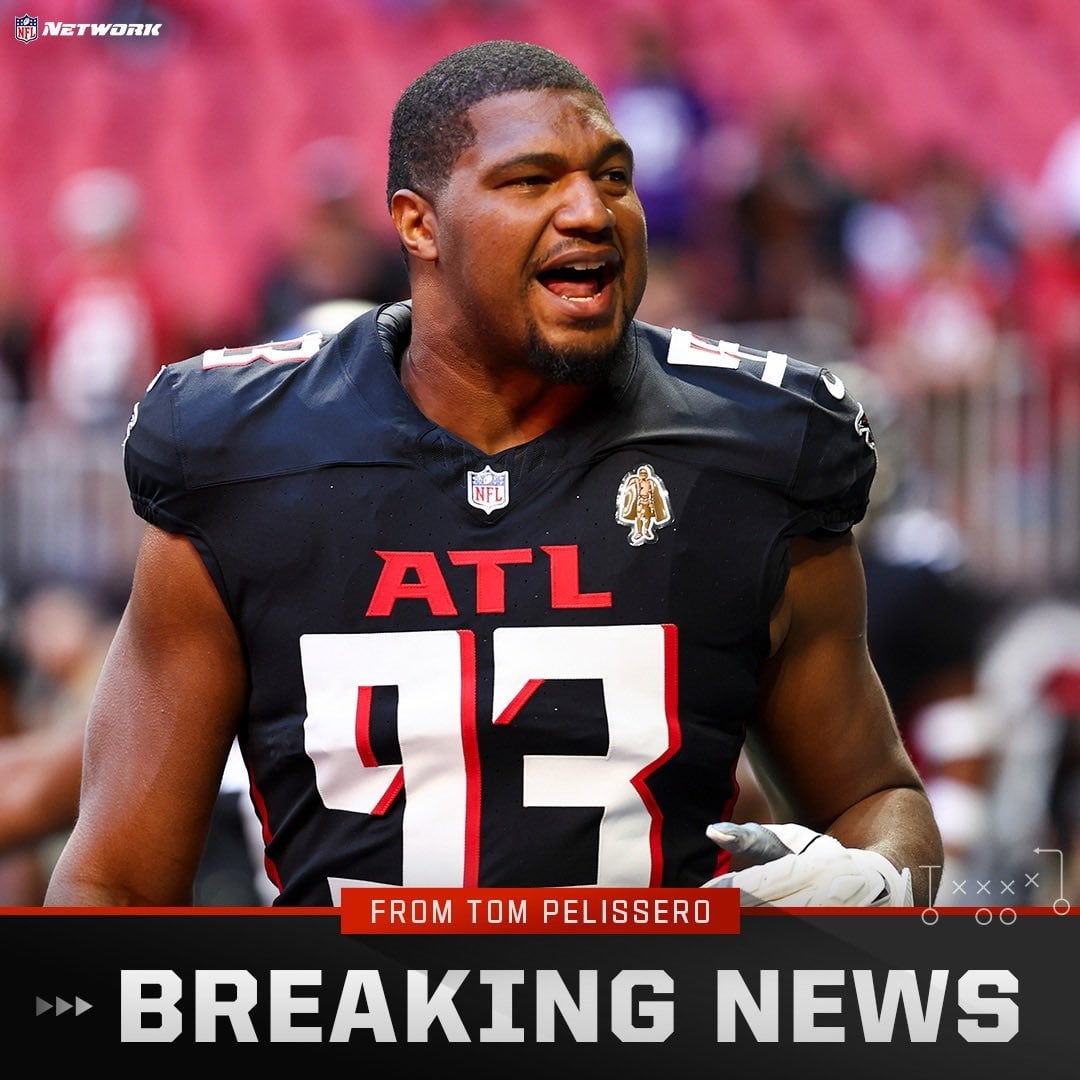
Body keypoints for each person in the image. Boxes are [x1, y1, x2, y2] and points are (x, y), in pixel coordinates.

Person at [45, 40, 941, 908]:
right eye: (532, 180)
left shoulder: (754, 447)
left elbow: (877, 798)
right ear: (419, 224)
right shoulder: (244, 459)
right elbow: (115, 883)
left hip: (654, 1002)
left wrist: (876, 879)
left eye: (613, 177)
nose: (592, 211)